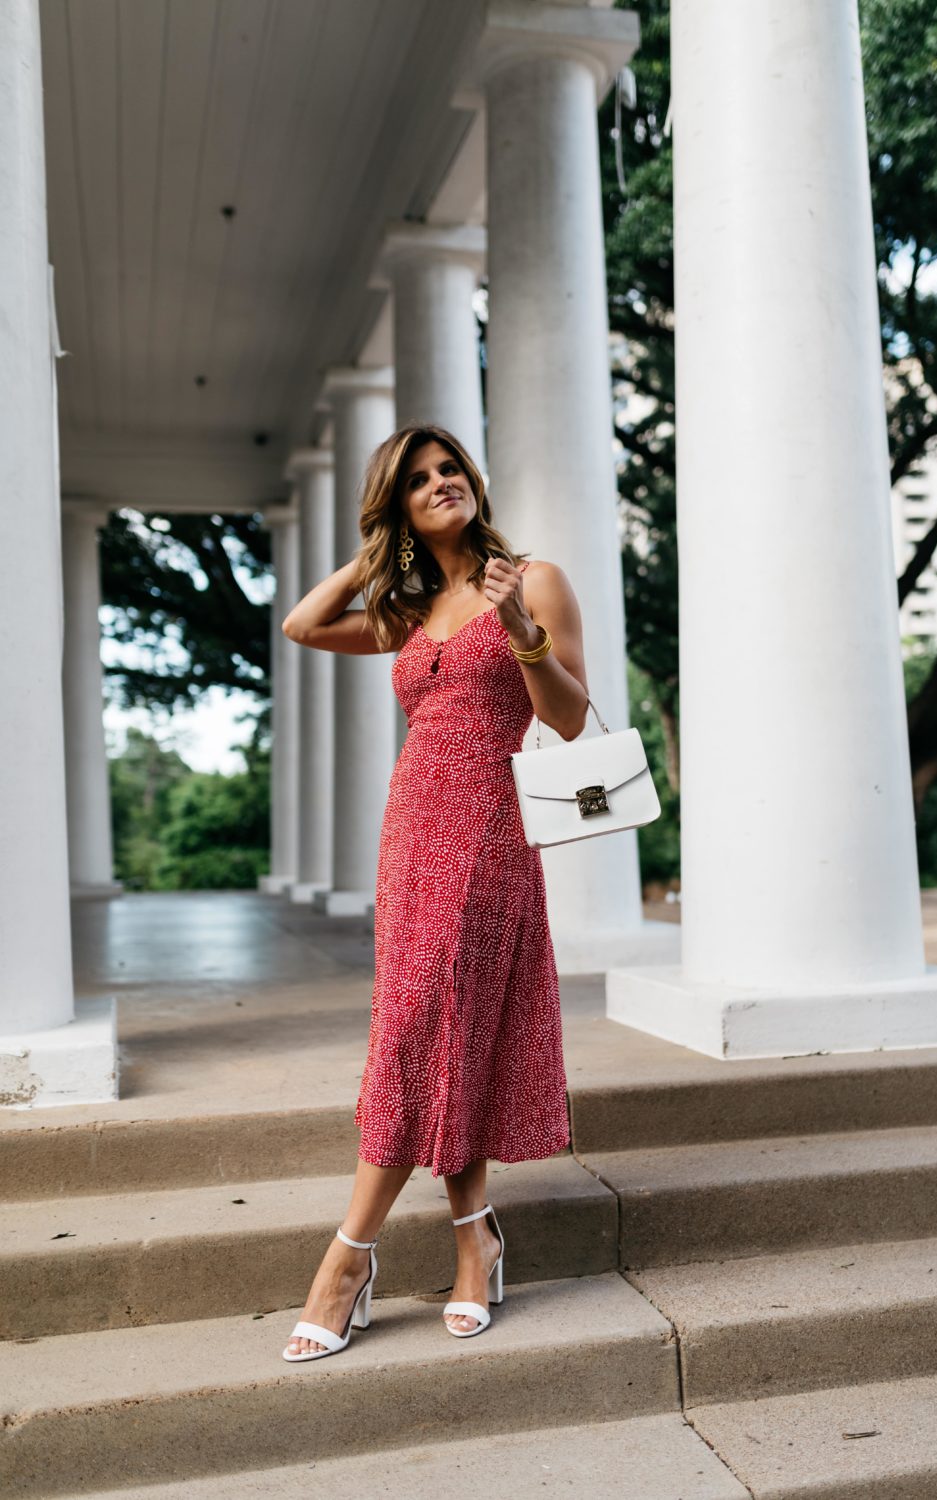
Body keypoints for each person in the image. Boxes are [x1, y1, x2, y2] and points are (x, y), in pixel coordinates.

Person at [279, 422, 589, 1358]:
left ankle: (348, 1257)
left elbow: (571, 723)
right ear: (399, 506)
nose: (442, 482)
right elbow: (301, 624)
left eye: (450, 468)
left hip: (490, 831)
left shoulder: (531, 579)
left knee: (421, 1026)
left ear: (476, 480)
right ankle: (474, 1241)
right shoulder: (410, 609)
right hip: (410, 834)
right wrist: (379, 550)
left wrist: (521, 631)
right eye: (418, 480)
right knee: (448, 1029)